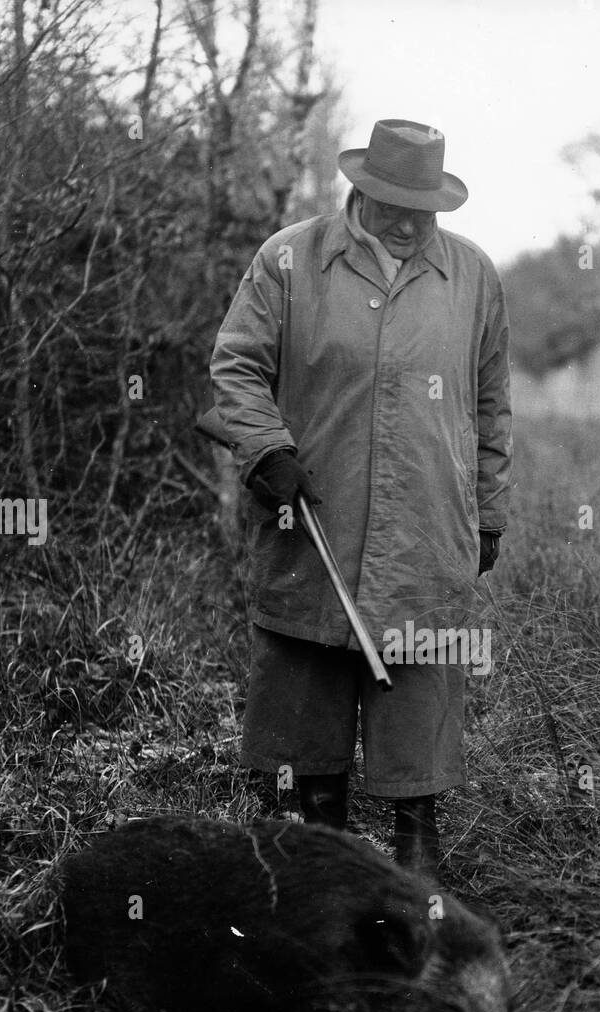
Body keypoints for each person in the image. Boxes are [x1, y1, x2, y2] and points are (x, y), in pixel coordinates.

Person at [210, 118, 513, 874]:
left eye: (424, 209)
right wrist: (265, 448)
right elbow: (236, 369)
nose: (409, 223)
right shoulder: (287, 260)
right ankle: (318, 865)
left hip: (428, 527)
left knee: (417, 717)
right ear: (359, 192)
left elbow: (491, 407)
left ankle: (417, 877)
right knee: (304, 713)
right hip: (310, 520)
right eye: (391, 205)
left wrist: (490, 513)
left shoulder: (472, 276)